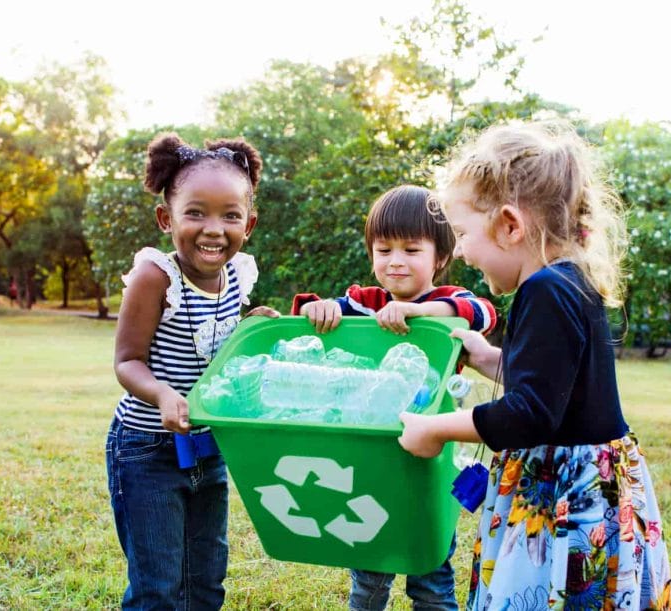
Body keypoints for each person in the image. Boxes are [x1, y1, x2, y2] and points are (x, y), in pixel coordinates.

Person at [398, 124, 671, 609]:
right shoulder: (570, 279)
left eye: (462, 234)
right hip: (594, 481)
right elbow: (554, 385)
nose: (459, 251)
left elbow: (530, 414)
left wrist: (436, 429)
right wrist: (487, 357)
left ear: (509, 226)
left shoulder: (543, 290)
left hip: (566, 495)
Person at [291, 185, 497, 611]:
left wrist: (417, 311)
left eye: (411, 249)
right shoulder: (365, 303)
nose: (395, 261)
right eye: (383, 249)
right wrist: (320, 310)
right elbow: (316, 318)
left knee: (432, 578)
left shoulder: (446, 302)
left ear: (440, 257)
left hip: (430, 462)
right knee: (368, 573)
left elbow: (480, 312)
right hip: (369, 459)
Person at [106, 132, 278, 610]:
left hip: (209, 448)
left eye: (230, 215)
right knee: (158, 586)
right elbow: (127, 361)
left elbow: (215, 348)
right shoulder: (154, 277)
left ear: (250, 223)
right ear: (167, 218)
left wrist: (250, 328)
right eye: (195, 212)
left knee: (206, 580)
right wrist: (162, 395)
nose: (213, 229)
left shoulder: (239, 274)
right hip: (148, 451)